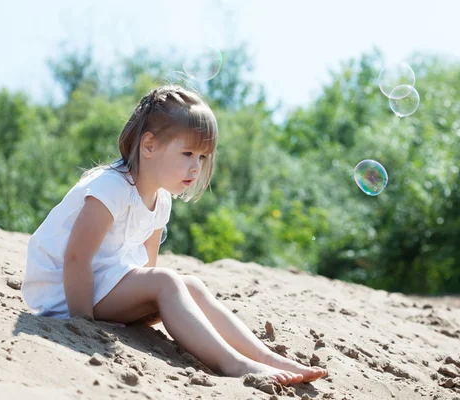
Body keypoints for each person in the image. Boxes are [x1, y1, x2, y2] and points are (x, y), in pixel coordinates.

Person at [21, 85, 327, 384]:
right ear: (149, 146)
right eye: (188, 153)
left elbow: (145, 267)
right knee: (167, 281)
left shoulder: (161, 199)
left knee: (189, 284)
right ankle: (233, 363)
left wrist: (143, 303)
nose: (195, 167)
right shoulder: (110, 186)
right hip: (64, 293)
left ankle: (267, 357)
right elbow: (76, 257)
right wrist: (83, 323)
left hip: (102, 284)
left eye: (203, 158)